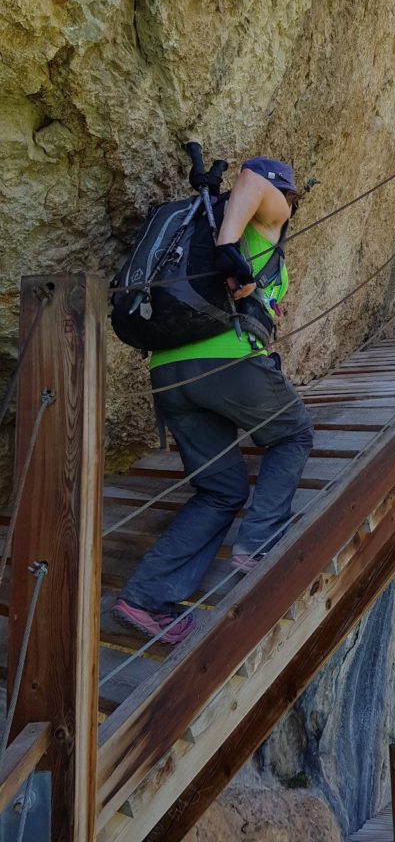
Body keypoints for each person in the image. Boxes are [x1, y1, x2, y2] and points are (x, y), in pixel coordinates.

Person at [113, 157, 314, 644]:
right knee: (292, 432)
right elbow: (252, 177)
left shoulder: (203, 225)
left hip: (168, 372)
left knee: (222, 490)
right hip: (224, 362)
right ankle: (257, 545)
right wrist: (227, 248)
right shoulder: (265, 218)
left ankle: (144, 600)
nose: (290, 208)